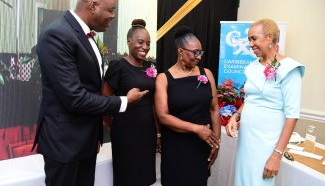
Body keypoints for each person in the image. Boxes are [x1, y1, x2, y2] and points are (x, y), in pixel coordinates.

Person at [32, 0, 148, 186]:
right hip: (64, 144)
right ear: (92, 6)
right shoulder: (57, 34)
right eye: (110, 10)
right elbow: (74, 98)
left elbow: (90, 87)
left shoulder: (87, 36)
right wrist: (124, 101)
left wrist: (94, 136)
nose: (113, 16)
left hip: (84, 141)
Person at [225, 18, 305, 186]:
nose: (250, 44)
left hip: (267, 144)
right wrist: (236, 116)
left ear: (270, 37)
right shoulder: (253, 67)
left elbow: (292, 116)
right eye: (249, 39)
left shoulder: (289, 69)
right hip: (246, 140)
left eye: (254, 38)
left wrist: (277, 154)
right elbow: (251, 99)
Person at [154, 26, 221, 186]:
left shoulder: (207, 74)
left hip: (200, 146)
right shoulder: (164, 78)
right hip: (176, 146)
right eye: (195, 52)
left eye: (201, 52)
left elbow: (214, 109)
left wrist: (216, 142)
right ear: (180, 51)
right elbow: (163, 116)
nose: (199, 57)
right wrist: (197, 129)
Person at [101, 19, 160, 186]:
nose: (145, 47)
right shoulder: (117, 66)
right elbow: (104, 101)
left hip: (147, 134)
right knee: (127, 178)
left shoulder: (151, 67)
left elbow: (154, 103)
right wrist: (113, 127)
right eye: (140, 42)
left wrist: (157, 133)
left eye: (148, 43)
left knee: (145, 178)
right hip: (125, 134)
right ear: (129, 42)